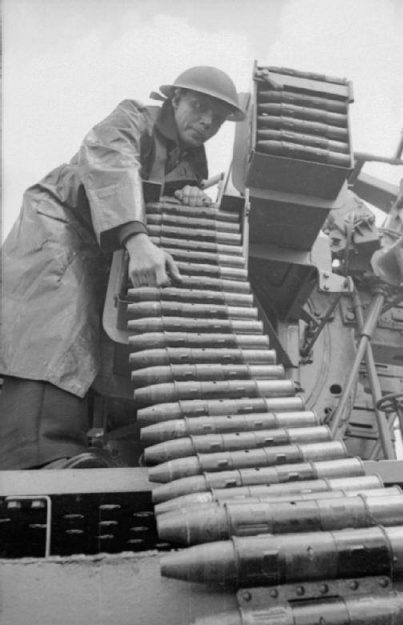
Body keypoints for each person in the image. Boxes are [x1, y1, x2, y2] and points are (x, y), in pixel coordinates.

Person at [0, 66, 245, 470]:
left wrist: (189, 195)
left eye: (217, 119)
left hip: (106, 249)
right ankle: (37, 456)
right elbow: (111, 162)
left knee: (94, 341)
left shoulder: (191, 163)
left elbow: (161, 196)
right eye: (200, 107)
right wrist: (137, 238)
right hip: (60, 225)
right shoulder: (133, 116)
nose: (206, 122)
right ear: (174, 99)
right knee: (53, 327)